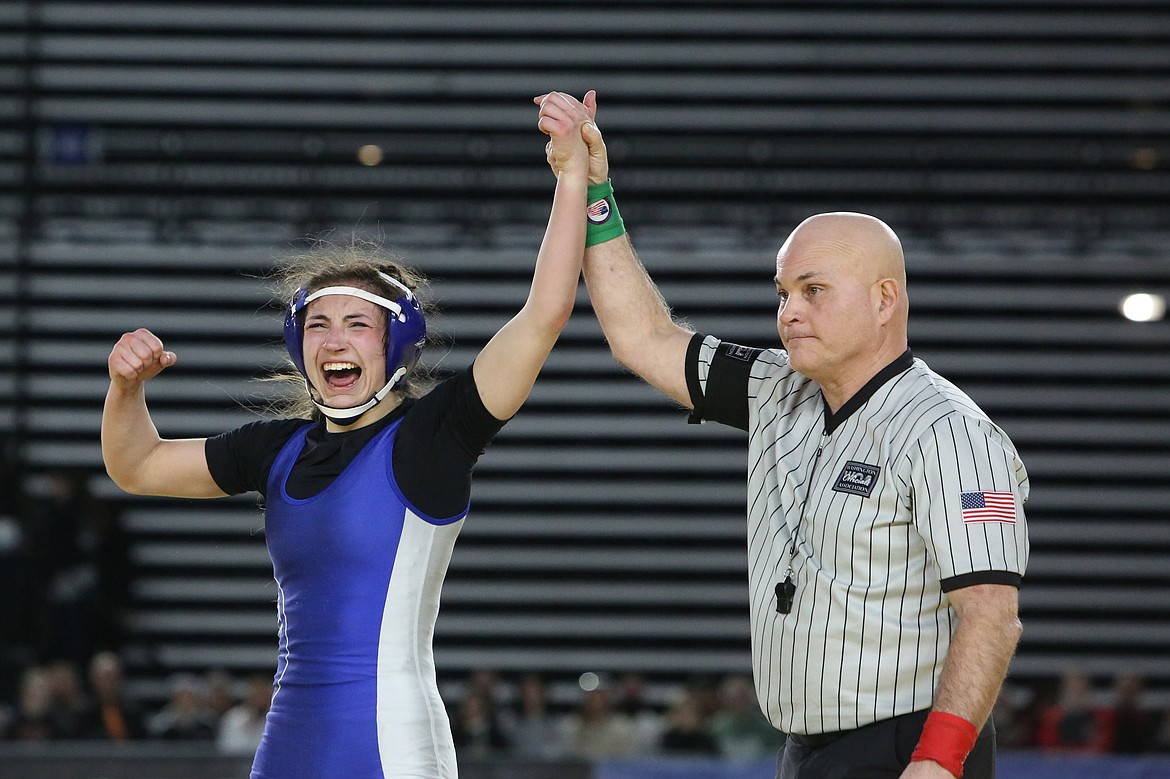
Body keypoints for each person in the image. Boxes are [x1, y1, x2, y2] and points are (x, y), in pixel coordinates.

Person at [539, 90, 1030, 779]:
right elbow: (643, 336)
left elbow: (991, 615)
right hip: (804, 752)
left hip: (906, 753)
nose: (789, 312)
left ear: (885, 299)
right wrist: (594, 193)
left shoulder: (951, 432)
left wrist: (938, 764)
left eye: (813, 290)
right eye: (782, 293)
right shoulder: (777, 389)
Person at [101, 92, 591, 779]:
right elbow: (138, 464)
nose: (335, 338)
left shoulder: (434, 435)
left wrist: (574, 177)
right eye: (319, 324)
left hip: (393, 748)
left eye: (358, 323)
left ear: (398, 343)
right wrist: (126, 388)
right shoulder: (273, 450)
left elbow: (543, 314)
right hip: (288, 745)